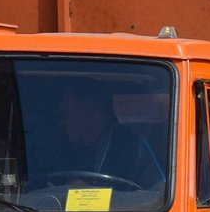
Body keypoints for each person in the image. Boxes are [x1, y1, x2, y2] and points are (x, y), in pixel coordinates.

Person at [33, 81, 167, 191]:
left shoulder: (128, 146)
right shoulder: (60, 145)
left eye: (66, 113)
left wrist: (87, 190)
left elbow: (152, 196)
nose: (62, 123)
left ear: (91, 112)